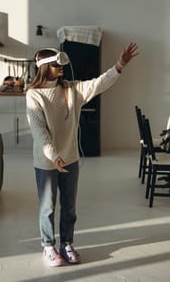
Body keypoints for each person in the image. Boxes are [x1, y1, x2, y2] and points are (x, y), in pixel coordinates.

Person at [26, 43, 138, 267]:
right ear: (45, 67)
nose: (62, 67)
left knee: (69, 207)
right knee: (47, 207)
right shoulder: (34, 94)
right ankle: (48, 246)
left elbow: (98, 84)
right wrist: (53, 155)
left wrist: (119, 65)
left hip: (70, 159)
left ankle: (66, 244)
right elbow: (39, 130)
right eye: (57, 64)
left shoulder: (71, 89)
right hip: (46, 161)